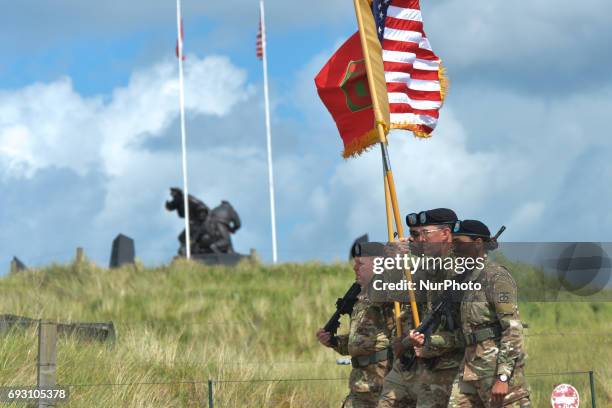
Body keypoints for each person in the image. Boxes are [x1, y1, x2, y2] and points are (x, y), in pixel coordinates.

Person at [378, 208, 464, 408]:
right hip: (416, 363)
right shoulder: (427, 268)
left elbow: (471, 331)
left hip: (448, 368)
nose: (418, 239)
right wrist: (390, 258)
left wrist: (431, 343)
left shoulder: (461, 270)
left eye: (425, 233)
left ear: (445, 234)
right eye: (417, 234)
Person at [446, 220, 531, 407]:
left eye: (458, 242)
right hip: (469, 369)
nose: (454, 247)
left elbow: (513, 329)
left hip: (495, 370)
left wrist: (502, 376)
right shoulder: (467, 280)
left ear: (477, 243)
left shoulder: (496, 277)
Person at [317, 242, 395, 408]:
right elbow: (359, 341)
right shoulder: (361, 298)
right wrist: (334, 342)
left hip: (384, 382)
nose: (355, 268)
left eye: (360, 264)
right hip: (360, 383)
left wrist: (394, 258)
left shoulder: (388, 290)